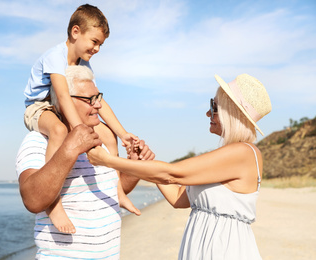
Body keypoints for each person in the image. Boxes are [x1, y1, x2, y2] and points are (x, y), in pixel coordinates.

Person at [87, 73, 272, 259]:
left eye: (214, 106)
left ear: (232, 112)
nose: (208, 113)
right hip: (205, 245)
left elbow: (172, 174)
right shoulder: (231, 154)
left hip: (224, 248)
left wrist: (107, 160)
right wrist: (145, 161)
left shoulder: (243, 152)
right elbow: (178, 198)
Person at [16, 65, 155, 259]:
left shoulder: (100, 140)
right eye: (91, 100)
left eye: (98, 97)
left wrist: (135, 165)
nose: (98, 105)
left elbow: (112, 190)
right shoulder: (38, 141)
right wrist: (70, 149)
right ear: (66, 102)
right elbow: (33, 200)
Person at [23, 4, 139, 233]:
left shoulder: (82, 62)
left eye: (101, 44)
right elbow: (65, 97)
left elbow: (96, 100)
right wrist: (79, 131)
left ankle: (118, 191)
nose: (97, 48)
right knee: (58, 131)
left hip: (59, 104)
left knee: (106, 133)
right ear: (75, 32)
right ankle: (53, 204)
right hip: (38, 107)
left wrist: (123, 133)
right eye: (94, 42)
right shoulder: (55, 57)